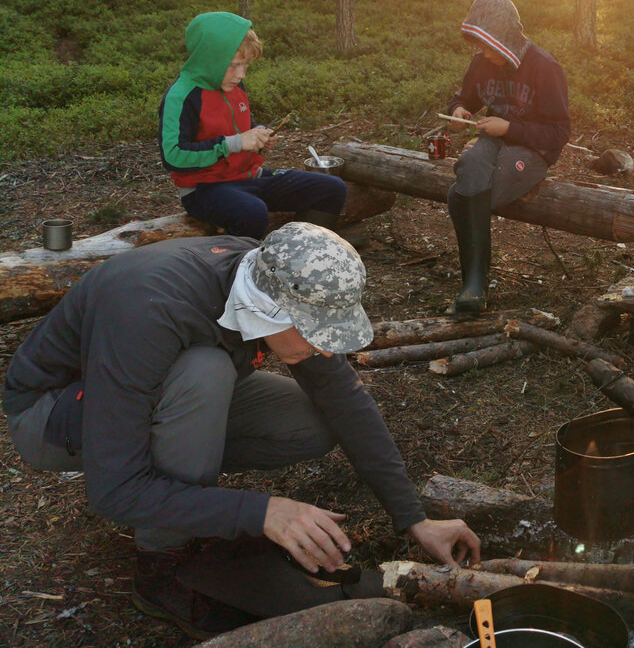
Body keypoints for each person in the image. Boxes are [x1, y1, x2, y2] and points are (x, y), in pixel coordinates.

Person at [3, 223, 481, 639]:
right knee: (204, 371)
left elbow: (345, 400)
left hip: (153, 395)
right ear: (269, 308)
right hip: (53, 418)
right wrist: (260, 512)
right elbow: (112, 491)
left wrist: (413, 517)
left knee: (311, 422)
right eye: (314, 332)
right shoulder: (149, 306)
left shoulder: (273, 272)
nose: (321, 347)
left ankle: (180, 479)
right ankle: (162, 566)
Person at [159, 11, 347, 239]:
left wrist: (258, 134)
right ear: (208, 58)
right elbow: (173, 157)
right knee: (252, 213)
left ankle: (304, 249)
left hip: (251, 176)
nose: (241, 75)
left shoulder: (233, 85)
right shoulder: (182, 96)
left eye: (246, 65)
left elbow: (243, 123)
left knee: (332, 188)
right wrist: (234, 143)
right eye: (234, 65)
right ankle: (240, 268)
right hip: (206, 188)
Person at [444, 0, 571, 315]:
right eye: (479, 46)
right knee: (470, 164)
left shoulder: (544, 67)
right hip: (492, 140)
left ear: (504, 38)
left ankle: (475, 279)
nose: (484, 54)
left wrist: (510, 129)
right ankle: (474, 283)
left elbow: (560, 133)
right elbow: (465, 98)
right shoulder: (481, 63)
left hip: (534, 149)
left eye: (488, 46)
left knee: (465, 195)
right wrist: (459, 111)